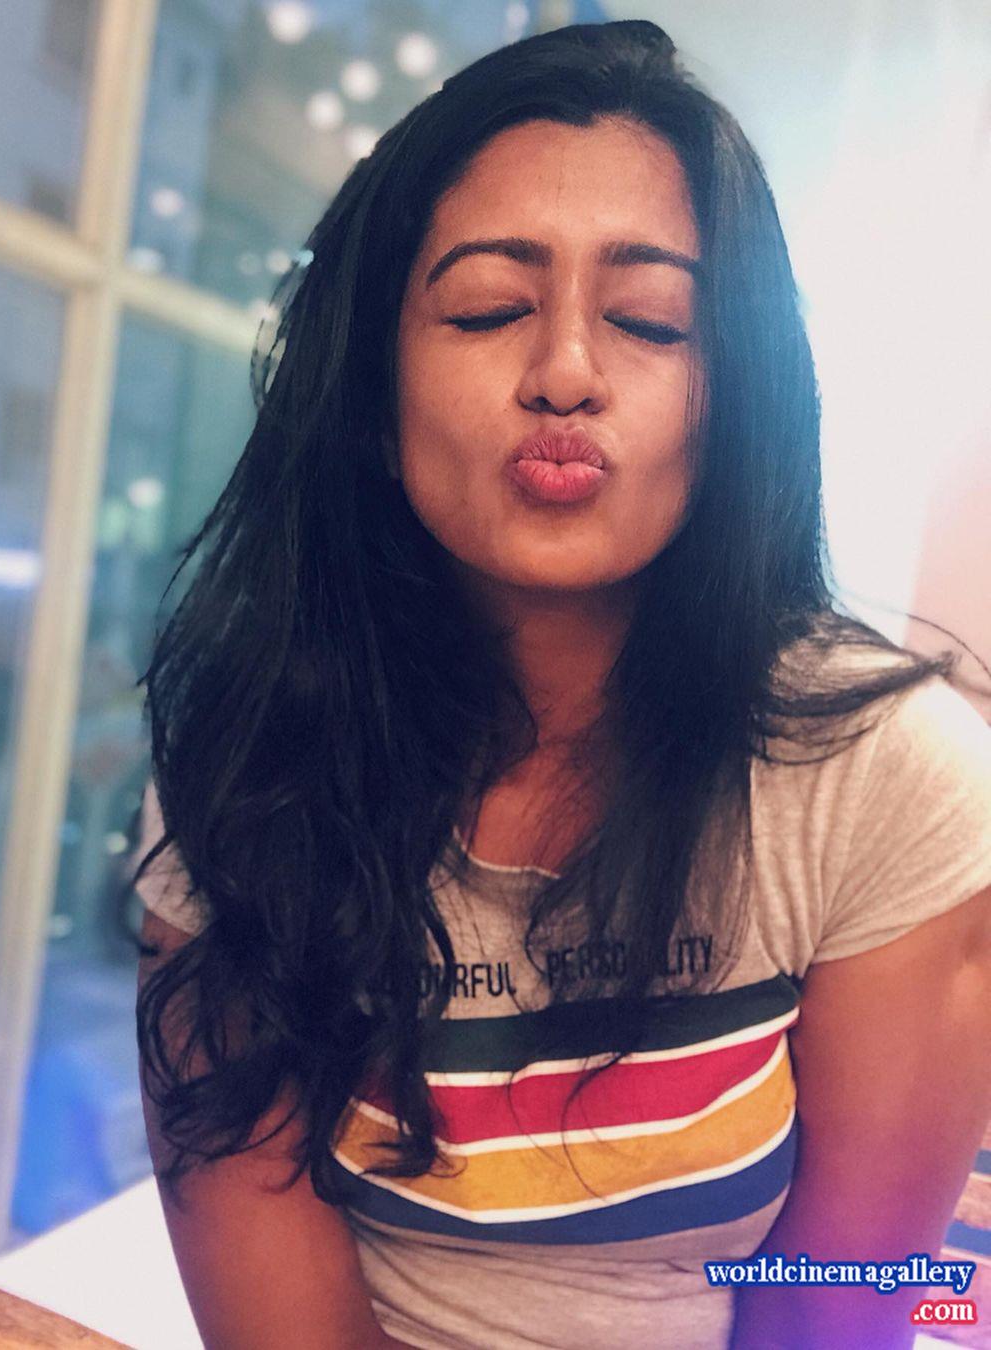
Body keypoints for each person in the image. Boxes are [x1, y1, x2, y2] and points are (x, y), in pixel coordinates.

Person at [131, 20, 991, 1350]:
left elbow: (835, 1299)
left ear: (736, 402)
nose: (568, 373)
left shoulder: (886, 773)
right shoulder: (250, 755)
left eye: (650, 320)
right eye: (487, 309)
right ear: (372, 400)